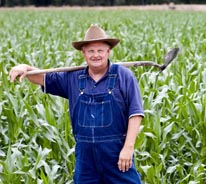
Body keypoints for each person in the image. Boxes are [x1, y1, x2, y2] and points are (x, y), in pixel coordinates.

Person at [9, 24, 144, 183]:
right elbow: (42, 78)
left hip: (116, 155)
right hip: (85, 159)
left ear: (108, 51)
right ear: (84, 54)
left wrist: (128, 148)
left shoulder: (124, 76)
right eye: (91, 51)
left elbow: (135, 113)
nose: (96, 55)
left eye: (100, 50)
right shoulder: (72, 78)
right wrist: (26, 68)